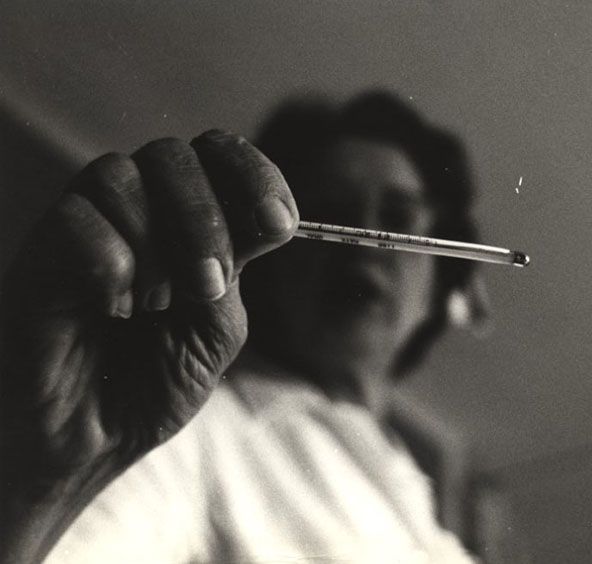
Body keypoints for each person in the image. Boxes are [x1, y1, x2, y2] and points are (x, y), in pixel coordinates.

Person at [0, 91, 489, 563]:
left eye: (397, 220)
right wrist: (45, 485)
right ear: (274, 257)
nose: (363, 243)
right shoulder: (187, 428)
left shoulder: (429, 516)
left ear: (444, 283)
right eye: (333, 215)